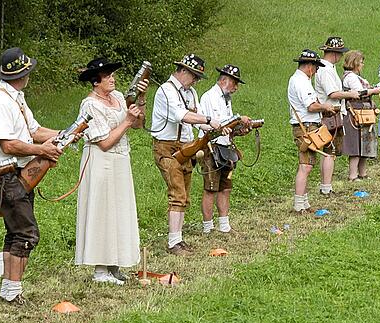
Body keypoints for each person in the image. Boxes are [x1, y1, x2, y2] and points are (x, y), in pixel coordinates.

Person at [0, 47, 60, 301]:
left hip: (16, 172)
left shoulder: (15, 97)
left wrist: (63, 135)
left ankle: (9, 289)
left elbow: (33, 130)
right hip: (3, 173)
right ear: (23, 74)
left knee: (15, 231)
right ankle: (13, 292)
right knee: (26, 232)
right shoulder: (0, 102)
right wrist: (42, 149)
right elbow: (8, 144)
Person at [74, 58, 146, 284]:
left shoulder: (116, 98)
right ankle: (100, 269)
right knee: (102, 211)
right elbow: (104, 142)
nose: (112, 79)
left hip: (120, 159)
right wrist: (126, 121)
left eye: (112, 75)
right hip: (101, 161)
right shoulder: (90, 105)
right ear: (96, 81)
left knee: (119, 209)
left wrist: (141, 100)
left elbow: (138, 124)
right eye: (107, 76)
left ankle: (114, 264)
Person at [150, 54, 221, 256]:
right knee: (177, 193)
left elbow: (196, 120)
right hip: (166, 147)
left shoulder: (191, 93)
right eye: (195, 76)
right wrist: (209, 119)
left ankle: (178, 239)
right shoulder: (166, 90)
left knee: (185, 195)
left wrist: (217, 126)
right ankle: (173, 243)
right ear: (183, 71)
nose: (196, 80)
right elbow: (180, 115)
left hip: (186, 147)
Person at [198, 64, 251, 234]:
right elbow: (212, 124)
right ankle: (208, 227)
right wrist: (237, 119)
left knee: (225, 187)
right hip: (210, 146)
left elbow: (226, 126)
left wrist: (240, 128)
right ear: (224, 80)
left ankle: (224, 224)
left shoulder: (226, 99)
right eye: (234, 83)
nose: (236, 87)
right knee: (210, 188)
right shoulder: (209, 97)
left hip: (225, 146)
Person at [288, 49, 338, 213]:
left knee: (308, 164)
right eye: (316, 67)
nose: (316, 71)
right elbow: (311, 106)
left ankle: (304, 203)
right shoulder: (301, 82)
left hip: (308, 125)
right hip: (306, 127)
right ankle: (298, 204)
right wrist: (325, 106)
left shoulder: (300, 80)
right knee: (305, 166)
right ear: (309, 66)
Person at [314, 37, 361, 195]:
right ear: (334, 53)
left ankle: (326, 185)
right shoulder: (326, 70)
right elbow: (332, 93)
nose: (341, 57)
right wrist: (350, 94)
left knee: (329, 152)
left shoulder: (328, 68)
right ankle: (326, 187)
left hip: (332, 113)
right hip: (330, 114)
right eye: (340, 53)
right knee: (330, 152)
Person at [341, 51, 380, 181]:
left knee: (365, 144)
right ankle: (353, 175)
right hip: (356, 114)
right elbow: (359, 93)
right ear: (355, 62)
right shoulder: (351, 77)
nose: (363, 65)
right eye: (361, 62)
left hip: (365, 113)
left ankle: (362, 173)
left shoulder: (357, 77)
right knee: (355, 144)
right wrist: (374, 91)